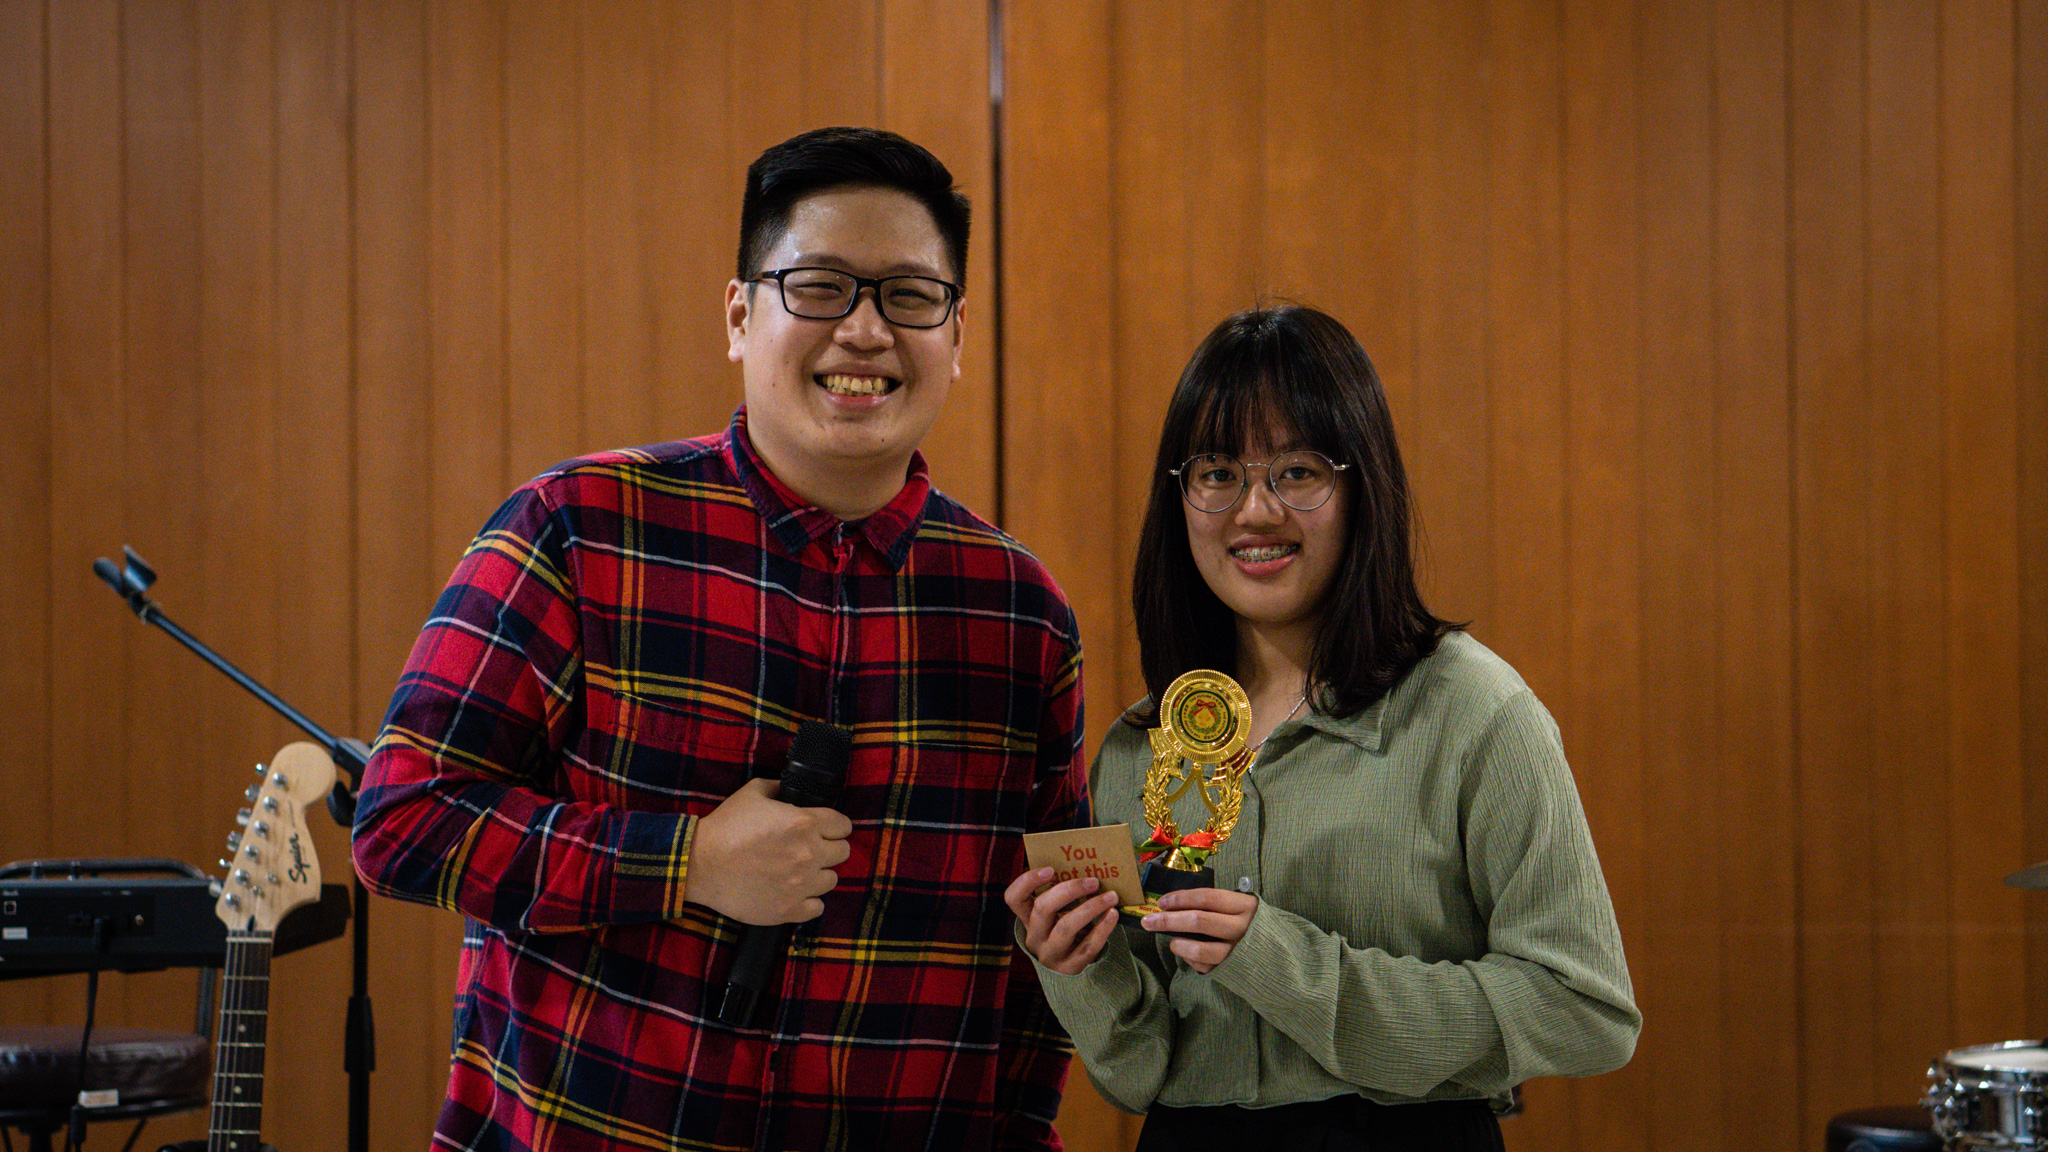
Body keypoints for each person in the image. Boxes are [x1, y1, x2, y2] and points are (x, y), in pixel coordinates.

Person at [353, 127, 1087, 1152]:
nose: (865, 331)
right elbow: (402, 821)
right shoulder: (580, 527)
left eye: (909, 296)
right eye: (819, 287)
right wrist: (686, 861)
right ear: (740, 316)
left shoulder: (1019, 612)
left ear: (956, 335)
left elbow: (1042, 954)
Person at [1004, 304, 1639, 1151]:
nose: (1254, 510)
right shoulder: (1143, 745)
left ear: (1363, 485)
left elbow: (1584, 1008)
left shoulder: (1473, 711)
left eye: (1298, 471)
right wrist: (1079, 966)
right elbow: (1140, 1074)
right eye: (1217, 473)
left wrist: (1286, 966)